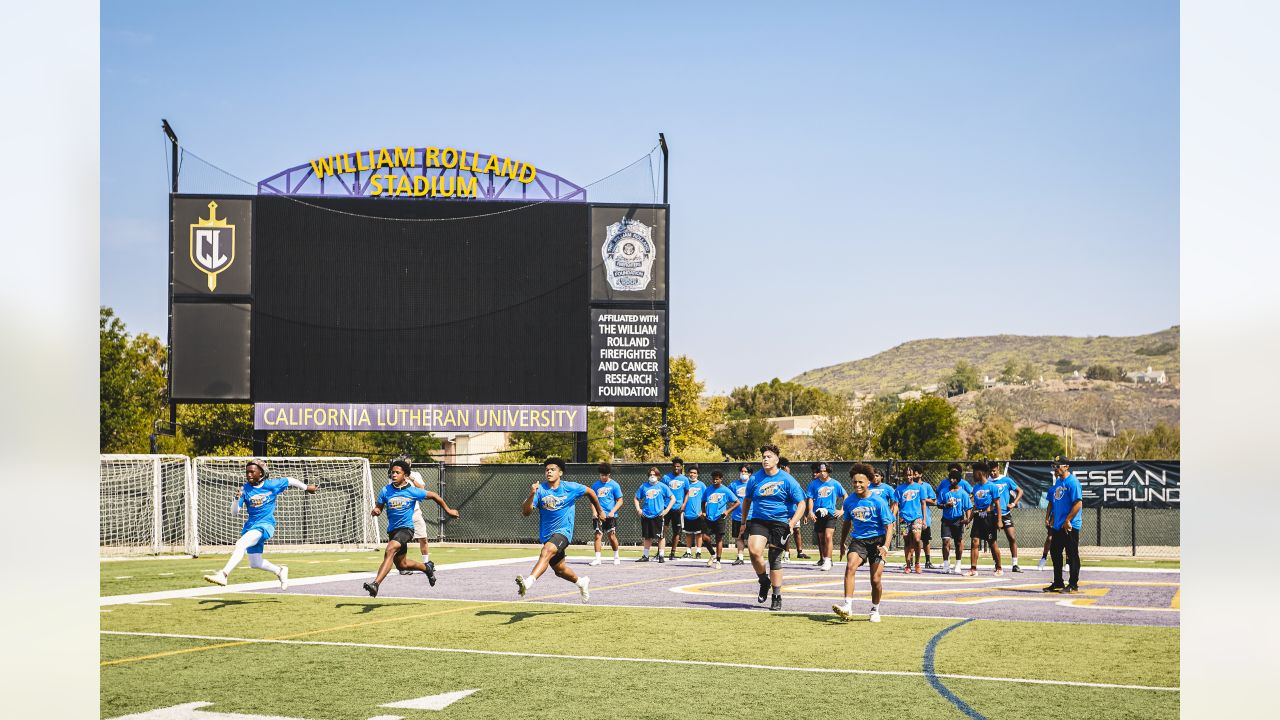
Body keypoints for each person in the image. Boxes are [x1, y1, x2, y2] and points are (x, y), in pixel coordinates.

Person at [205, 459, 317, 588]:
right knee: (255, 562)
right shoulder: (244, 489)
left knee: (241, 543)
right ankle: (279, 571)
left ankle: (223, 575)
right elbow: (234, 512)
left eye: (252, 472)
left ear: (261, 473)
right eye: (247, 472)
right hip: (250, 527)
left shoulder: (272, 485)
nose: (249, 475)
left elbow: (290, 480)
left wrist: (306, 487)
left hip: (265, 525)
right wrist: (236, 500)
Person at [362, 459, 458, 597]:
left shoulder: (413, 491)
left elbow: (434, 496)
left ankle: (375, 584)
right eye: (392, 472)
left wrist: (448, 511)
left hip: (406, 529)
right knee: (402, 565)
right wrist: (376, 510)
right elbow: (379, 506)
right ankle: (427, 568)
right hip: (393, 530)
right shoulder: (385, 490)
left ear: (405, 475)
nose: (393, 475)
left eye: (397, 472)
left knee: (390, 549)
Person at [516, 458, 603, 601]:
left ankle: (528, 582)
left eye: (552, 469)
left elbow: (591, 492)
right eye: (547, 469)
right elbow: (526, 512)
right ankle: (582, 582)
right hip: (547, 535)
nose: (549, 471)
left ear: (560, 472)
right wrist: (532, 494)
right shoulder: (540, 490)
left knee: (546, 551)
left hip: (564, 532)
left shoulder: (570, 487)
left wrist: (600, 511)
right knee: (560, 570)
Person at [736, 444, 807, 611]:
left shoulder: (787, 480)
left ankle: (776, 595)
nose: (765, 459)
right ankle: (763, 581)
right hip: (759, 520)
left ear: (776, 459)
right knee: (753, 551)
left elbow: (801, 504)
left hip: (781, 522)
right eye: (763, 457)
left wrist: (791, 524)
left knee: (774, 558)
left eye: (769, 457)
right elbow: (747, 500)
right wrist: (744, 522)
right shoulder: (755, 479)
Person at [834, 463, 895, 623]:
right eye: (855, 482)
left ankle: (875, 609)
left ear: (868, 482)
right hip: (859, 540)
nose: (857, 485)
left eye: (861, 482)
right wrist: (842, 543)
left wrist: (886, 546)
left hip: (878, 541)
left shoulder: (878, 501)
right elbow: (846, 523)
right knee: (850, 566)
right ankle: (847, 606)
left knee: (875, 580)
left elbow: (889, 526)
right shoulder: (849, 502)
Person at [398, 455, 458, 586]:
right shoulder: (396, 475)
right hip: (402, 514)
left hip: (415, 513)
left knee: (423, 538)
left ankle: (426, 563)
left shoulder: (415, 474)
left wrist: (411, 478)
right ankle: (402, 567)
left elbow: (422, 490)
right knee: (401, 541)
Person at [1044, 456, 1083, 593]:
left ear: (1066, 466)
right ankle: (1058, 581)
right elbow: (1053, 502)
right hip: (1058, 525)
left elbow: (1078, 503)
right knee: (1055, 553)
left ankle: (1073, 584)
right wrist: (1049, 517)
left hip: (1070, 525)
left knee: (1072, 554)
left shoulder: (1073, 482)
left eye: (1058, 465)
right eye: (1054, 466)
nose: (1055, 468)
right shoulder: (1058, 483)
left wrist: (1068, 520)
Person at [806, 462, 847, 571]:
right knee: (821, 539)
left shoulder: (835, 483)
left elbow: (845, 495)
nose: (823, 473)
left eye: (825, 471)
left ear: (828, 471)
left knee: (828, 536)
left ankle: (828, 560)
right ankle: (825, 559)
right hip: (818, 514)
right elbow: (809, 498)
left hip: (830, 514)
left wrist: (842, 510)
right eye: (821, 471)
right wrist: (810, 511)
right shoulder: (813, 484)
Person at [965, 461, 1004, 577]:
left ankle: (999, 567)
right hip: (978, 517)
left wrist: (999, 520)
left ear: (980, 473)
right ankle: (973, 569)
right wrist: (969, 519)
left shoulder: (992, 487)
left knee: (992, 543)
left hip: (989, 518)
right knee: (974, 542)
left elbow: (997, 505)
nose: (973, 474)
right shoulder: (976, 487)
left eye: (974, 472)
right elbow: (975, 505)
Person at [633, 466, 675, 562]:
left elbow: (673, 498)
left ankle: (661, 556)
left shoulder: (662, 486)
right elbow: (636, 498)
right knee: (647, 536)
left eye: (654, 474)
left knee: (660, 536)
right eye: (650, 475)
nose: (652, 476)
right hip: (646, 515)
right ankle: (645, 556)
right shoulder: (644, 486)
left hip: (658, 515)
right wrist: (638, 509)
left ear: (658, 476)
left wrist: (666, 510)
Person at [989, 461, 1025, 572]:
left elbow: (1020, 491)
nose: (992, 473)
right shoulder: (988, 482)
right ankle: (997, 564)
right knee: (992, 540)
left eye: (994, 470)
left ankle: (1015, 564)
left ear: (998, 468)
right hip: (992, 515)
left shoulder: (1006, 480)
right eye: (990, 471)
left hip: (1005, 514)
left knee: (1012, 537)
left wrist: (1013, 503)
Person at [701, 471, 739, 568]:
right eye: (713, 478)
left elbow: (737, 502)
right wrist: (703, 511)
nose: (715, 480)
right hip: (709, 517)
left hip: (719, 518)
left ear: (721, 479)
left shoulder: (725, 490)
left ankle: (718, 560)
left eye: (717, 479)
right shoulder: (708, 489)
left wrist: (727, 511)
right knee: (705, 538)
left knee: (719, 539)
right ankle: (712, 554)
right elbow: (703, 501)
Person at [895, 465, 929, 573]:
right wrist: (894, 519)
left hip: (917, 517)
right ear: (903, 476)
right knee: (906, 541)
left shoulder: (920, 488)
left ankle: (917, 563)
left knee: (917, 539)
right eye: (906, 475)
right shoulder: (899, 489)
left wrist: (924, 519)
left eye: (910, 475)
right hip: (904, 518)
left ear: (913, 475)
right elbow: (896, 505)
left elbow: (923, 503)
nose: (908, 477)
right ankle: (908, 564)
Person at [937, 473, 973, 574]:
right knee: (945, 542)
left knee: (958, 543)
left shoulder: (963, 493)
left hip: (958, 520)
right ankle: (946, 565)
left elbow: (968, 507)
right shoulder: (944, 491)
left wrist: (968, 520)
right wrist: (945, 505)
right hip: (946, 520)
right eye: (950, 478)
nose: (951, 480)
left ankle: (958, 565)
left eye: (953, 478)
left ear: (958, 480)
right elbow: (938, 504)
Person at [591, 462, 624, 566]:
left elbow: (620, 500)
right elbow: (592, 501)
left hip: (610, 516)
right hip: (599, 516)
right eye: (601, 475)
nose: (603, 477)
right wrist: (594, 512)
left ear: (609, 474)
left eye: (605, 475)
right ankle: (597, 559)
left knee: (611, 536)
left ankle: (616, 557)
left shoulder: (614, 485)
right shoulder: (595, 485)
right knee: (597, 536)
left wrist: (612, 512)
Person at [662, 457, 689, 559]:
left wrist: (683, 505)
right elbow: (661, 492)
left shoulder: (685, 479)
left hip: (678, 509)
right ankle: (660, 552)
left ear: (681, 467)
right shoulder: (666, 478)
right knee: (663, 530)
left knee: (676, 531)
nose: (676, 468)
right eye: (674, 466)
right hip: (666, 508)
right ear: (672, 467)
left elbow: (687, 493)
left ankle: (672, 553)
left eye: (678, 466)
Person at [681, 465, 708, 560]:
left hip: (698, 514)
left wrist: (703, 512)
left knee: (698, 534)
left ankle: (698, 552)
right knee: (688, 533)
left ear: (698, 475)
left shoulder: (701, 485)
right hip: (686, 513)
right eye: (691, 472)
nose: (692, 474)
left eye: (694, 473)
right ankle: (688, 552)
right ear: (688, 473)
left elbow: (706, 499)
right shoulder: (685, 484)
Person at [728, 464, 751, 565]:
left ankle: (755, 557)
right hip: (737, 516)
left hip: (751, 516)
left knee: (752, 538)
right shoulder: (734, 485)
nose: (743, 473)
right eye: (742, 471)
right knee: (739, 537)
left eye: (745, 472)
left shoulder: (753, 484)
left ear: (750, 473)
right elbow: (728, 496)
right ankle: (740, 558)